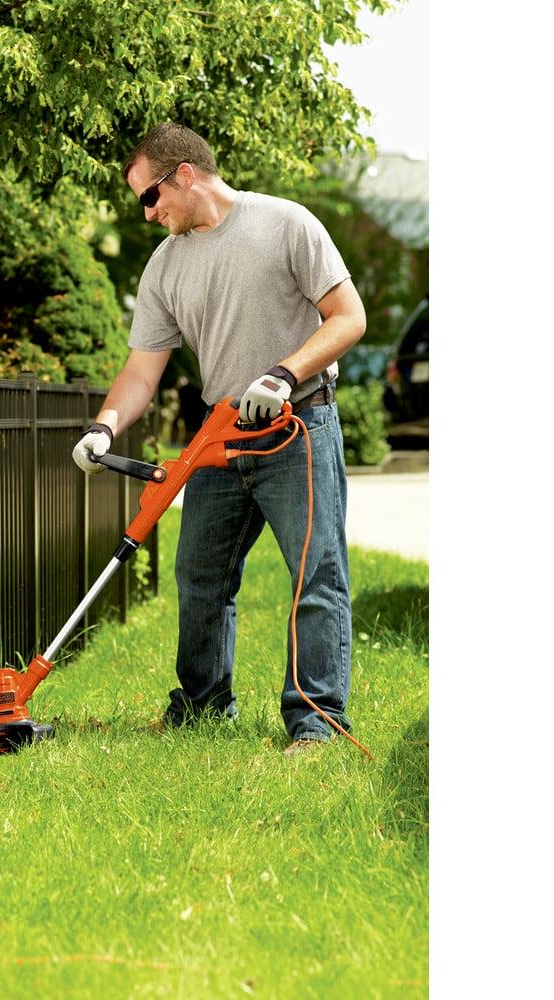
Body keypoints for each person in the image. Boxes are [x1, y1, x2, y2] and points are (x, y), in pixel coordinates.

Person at [72, 123, 366, 756]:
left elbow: (349, 318)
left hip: (298, 427)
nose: (147, 213)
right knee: (199, 575)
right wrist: (104, 425)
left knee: (316, 575)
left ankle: (316, 723)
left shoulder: (285, 224)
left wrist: (285, 374)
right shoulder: (164, 266)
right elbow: (141, 371)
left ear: (184, 175)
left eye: (149, 196)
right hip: (219, 439)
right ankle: (204, 707)